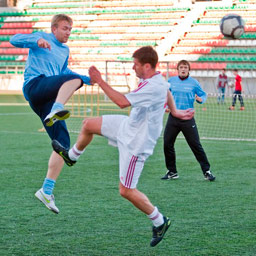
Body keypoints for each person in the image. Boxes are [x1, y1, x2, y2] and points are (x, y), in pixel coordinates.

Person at [51, 46, 194, 246]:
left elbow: (121, 102)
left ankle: (159, 221)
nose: (133, 68)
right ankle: (71, 157)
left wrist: (100, 81)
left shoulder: (152, 86)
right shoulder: (158, 81)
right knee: (88, 125)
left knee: (126, 190)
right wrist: (176, 111)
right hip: (127, 127)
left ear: (146, 65)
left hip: (136, 144)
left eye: (135, 64)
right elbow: (167, 90)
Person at [9, 14, 92, 214]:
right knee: (72, 79)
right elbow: (13, 40)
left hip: (46, 98)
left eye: (70, 29)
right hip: (35, 86)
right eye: (65, 28)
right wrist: (35, 40)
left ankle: (46, 190)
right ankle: (57, 108)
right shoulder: (41, 37)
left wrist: (89, 79)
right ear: (54, 29)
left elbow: (64, 72)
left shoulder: (65, 50)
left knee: (63, 142)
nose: (68, 33)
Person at [161, 60, 215, 181]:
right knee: (167, 144)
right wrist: (165, 106)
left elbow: (203, 95)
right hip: (173, 118)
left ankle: (207, 171)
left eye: (185, 67)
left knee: (195, 145)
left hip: (187, 118)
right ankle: (172, 171)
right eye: (181, 67)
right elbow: (165, 95)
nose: (183, 69)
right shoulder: (171, 81)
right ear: (178, 69)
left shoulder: (194, 83)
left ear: (188, 69)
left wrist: (200, 99)